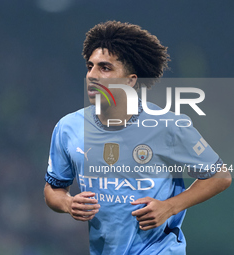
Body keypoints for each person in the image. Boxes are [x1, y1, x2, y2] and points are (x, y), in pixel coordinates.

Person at [43, 21, 231, 255]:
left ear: (131, 80)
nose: (92, 75)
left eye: (105, 68)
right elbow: (54, 189)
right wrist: (68, 204)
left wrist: (169, 207)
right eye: (89, 66)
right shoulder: (68, 127)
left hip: (160, 249)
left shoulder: (167, 126)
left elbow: (220, 176)